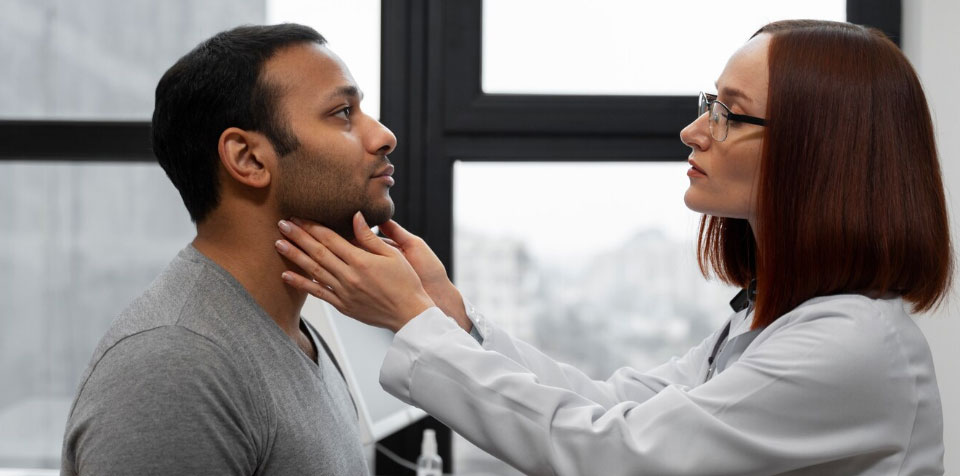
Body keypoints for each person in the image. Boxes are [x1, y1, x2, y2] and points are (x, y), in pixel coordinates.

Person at [273, 20, 950, 475]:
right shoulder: (769, 322)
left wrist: (412, 322)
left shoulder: (848, 346)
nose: (693, 131)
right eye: (707, 103)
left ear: (816, 151)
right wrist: (454, 320)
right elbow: (612, 404)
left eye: (728, 113)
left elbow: (616, 455)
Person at [61, 23, 398, 475]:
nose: (383, 136)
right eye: (342, 113)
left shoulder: (296, 337)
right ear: (248, 159)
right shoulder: (175, 366)